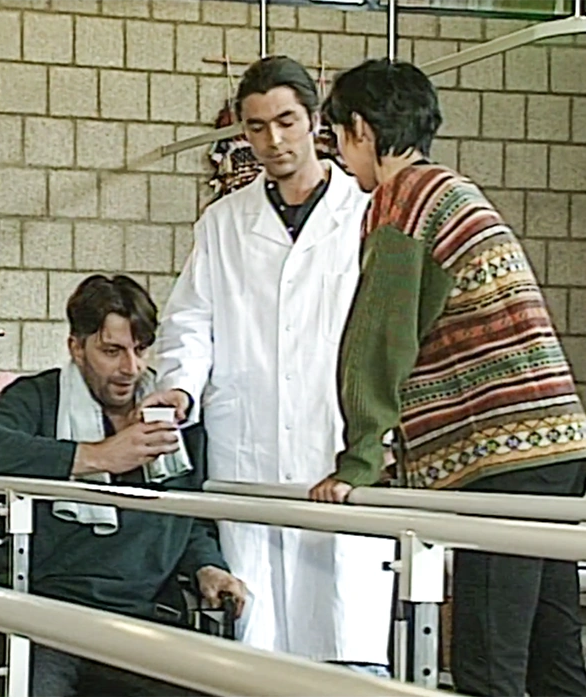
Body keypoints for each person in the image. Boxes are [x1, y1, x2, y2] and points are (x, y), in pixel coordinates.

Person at [312, 58, 586, 697]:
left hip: (505, 457)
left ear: (362, 129)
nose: (341, 161)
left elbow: (379, 343)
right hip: (555, 447)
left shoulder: (403, 203)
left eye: (338, 139)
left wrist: (359, 462)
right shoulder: (451, 191)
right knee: (552, 662)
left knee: (488, 665)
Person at [139, 55, 396, 675]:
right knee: (257, 649)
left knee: (343, 638)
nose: (273, 140)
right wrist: (179, 389)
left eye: (286, 121)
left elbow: (391, 333)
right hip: (249, 448)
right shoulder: (224, 222)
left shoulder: (367, 211)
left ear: (315, 121)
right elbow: (191, 320)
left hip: (333, 443)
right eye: (256, 127)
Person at [0, 274, 248, 697]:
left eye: (140, 349)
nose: (130, 368)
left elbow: (186, 515)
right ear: (76, 347)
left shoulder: (170, 413)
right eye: (111, 351)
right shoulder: (40, 398)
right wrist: (96, 455)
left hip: (144, 618)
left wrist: (207, 565)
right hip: (47, 619)